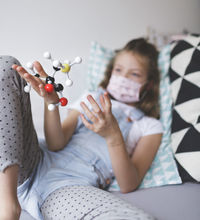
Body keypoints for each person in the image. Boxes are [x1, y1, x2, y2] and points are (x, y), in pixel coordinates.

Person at [0, 38, 163, 220]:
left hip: (69, 187)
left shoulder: (149, 126)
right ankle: (7, 205)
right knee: (6, 65)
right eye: (119, 70)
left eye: (134, 74)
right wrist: (51, 104)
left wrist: (113, 137)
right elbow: (56, 144)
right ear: (110, 73)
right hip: (32, 162)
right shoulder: (91, 97)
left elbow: (128, 184)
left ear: (149, 83)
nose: (123, 77)